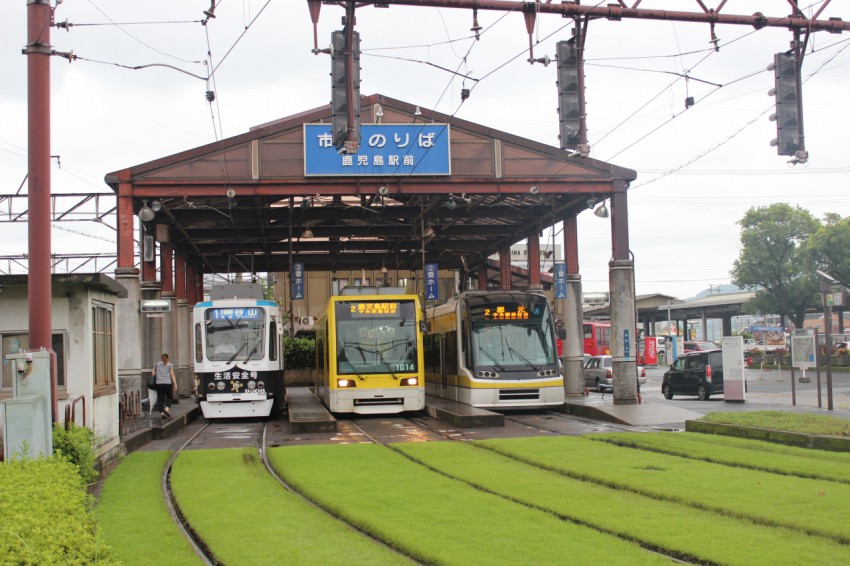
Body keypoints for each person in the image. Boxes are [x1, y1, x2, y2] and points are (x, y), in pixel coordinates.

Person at [151, 353, 177, 418]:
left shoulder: (156, 364)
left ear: (161, 358)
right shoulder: (170, 365)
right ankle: (167, 409)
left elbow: (153, 374)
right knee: (169, 397)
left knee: (161, 399)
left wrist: (156, 374)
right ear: (167, 358)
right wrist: (175, 384)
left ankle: (162, 413)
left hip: (159, 384)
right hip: (167, 384)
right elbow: (172, 375)